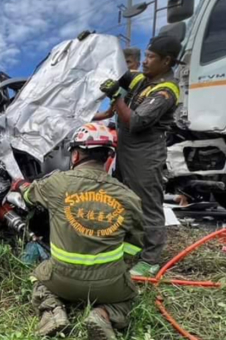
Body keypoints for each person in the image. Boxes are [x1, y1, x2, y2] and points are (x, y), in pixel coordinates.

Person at [9, 123, 144, 340]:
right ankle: (104, 314)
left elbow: (29, 196)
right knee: (129, 297)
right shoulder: (129, 197)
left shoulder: (57, 183)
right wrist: (120, 264)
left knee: (38, 276)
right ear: (107, 157)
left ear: (76, 154)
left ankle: (53, 309)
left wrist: (20, 184)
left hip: (62, 280)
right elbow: (135, 245)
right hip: (108, 286)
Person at [99, 35, 181, 277]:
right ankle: (132, 245)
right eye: (145, 56)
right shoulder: (142, 79)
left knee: (147, 203)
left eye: (151, 57)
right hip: (126, 149)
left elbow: (134, 122)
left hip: (145, 152)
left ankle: (151, 258)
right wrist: (97, 46)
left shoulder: (165, 91)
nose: (145, 62)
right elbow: (119, 71)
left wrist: (116, 96)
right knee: (125, 199)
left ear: (166, 61)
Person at [93, 47, 142, 121]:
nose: (125, 66)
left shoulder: (144, 83)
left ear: (137, 65)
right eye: (122, 62)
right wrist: (82, 117)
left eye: (128, 62)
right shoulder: (120, 87)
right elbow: (108, 114)